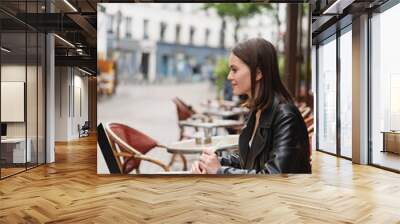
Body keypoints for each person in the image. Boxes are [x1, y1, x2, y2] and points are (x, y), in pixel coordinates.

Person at [191, 38, 311, 174]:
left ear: (258, 73)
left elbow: (275, 176)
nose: (229, 76)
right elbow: (248, 160)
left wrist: (220, 171)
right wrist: (213, 162)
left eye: (234, 70)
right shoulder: (257, 109)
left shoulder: (286, 116)